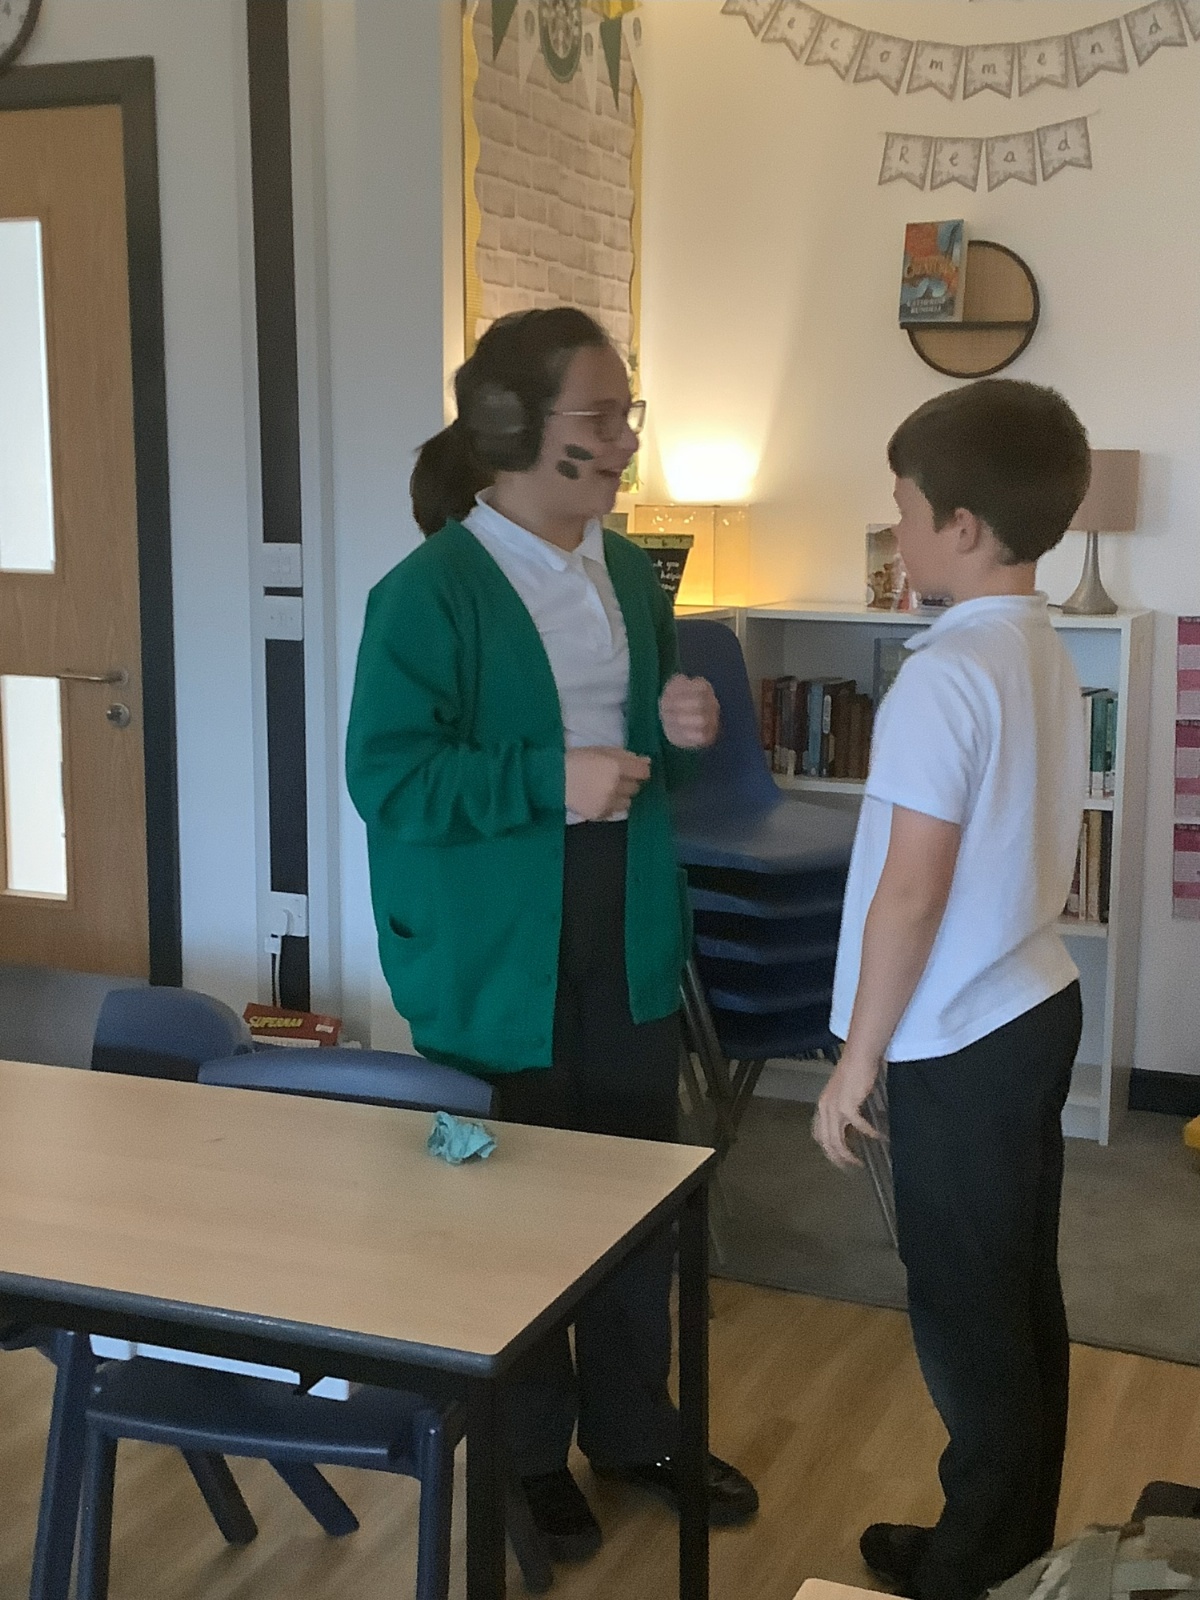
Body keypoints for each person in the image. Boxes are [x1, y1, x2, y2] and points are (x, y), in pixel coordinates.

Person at [345, 307, 758, 1564]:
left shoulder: (625, 573)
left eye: (628, 414)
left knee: (633, 1189)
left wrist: (677, 735)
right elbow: (389, 779)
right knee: (506, 1204)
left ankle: (635, 1428)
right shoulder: (427, 593)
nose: (624, 441)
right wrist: (547, 779)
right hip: (487, 950)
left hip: (624, 923)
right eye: (601, 417)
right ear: (512, 427)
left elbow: (642, 764)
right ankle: (525, 1450)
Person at [813, 379, 1092, 1600]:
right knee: (1017, 1290)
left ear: (963, 526)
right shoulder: (1041, 649)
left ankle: (976, 1563)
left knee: (967, 1311)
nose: (897, 532)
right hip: (1031, 1003)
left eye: (904, 510)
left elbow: (912, 890)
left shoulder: (942, 673)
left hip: (958, 1034)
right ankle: (1004, 1537)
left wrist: (855, 1061)